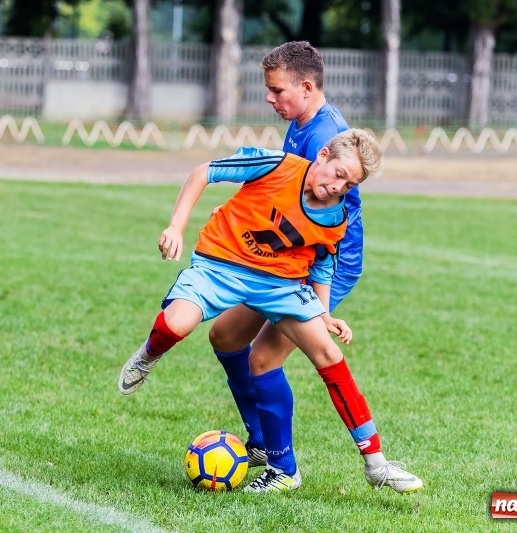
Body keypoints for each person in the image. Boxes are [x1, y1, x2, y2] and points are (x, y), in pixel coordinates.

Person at [118, 129, 422, 494]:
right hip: (220, 265)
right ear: (323, 155)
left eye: (350, 185)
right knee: (178, 325)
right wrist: (176, 226)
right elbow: (203, 172)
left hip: (281, 286)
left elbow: (323, 265)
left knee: (328, 353)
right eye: (339, 175)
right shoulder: (274, 164)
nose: (339, 188)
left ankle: (374, 464)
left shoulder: (335, 216)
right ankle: (148, 356)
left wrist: (323, 314)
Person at [208, 41, 404, 491]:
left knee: (262, 355)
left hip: (318, 264)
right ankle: (261, 440)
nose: (269, 98)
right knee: (225, 335)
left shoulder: (323, 138)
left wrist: (317, 299)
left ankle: (284, 470)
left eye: (276, 90)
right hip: (288, 256)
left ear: (307, 86)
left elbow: (325, 224)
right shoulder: (303, 123)